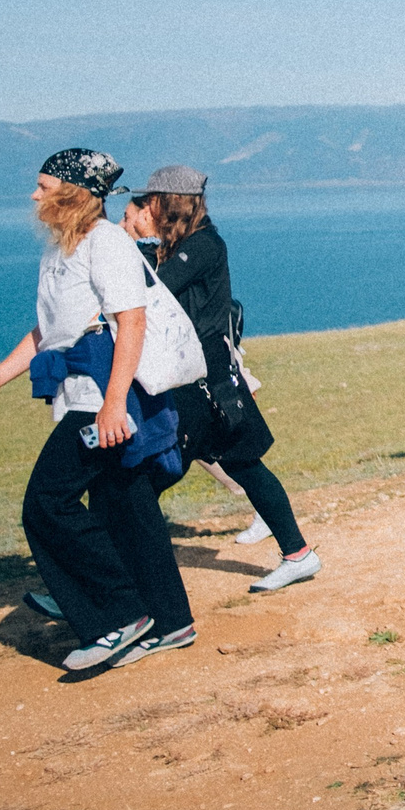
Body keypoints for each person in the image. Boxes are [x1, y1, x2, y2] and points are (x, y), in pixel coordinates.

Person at [0, 150, 195, 673]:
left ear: (73, 192)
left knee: (46, 503)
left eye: (43, 185)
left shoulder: (107, 245)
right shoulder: (64, 249)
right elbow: (48, 332)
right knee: (127, 505)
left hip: (103, 398)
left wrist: (114, 406)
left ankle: (119, 614)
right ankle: (172, 621)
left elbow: (132, 324)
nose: (34, 196)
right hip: (88, 395)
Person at [123, 166, 319, 594]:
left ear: (168, 203)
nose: (146, 206)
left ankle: (104, 583)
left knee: (142, 477)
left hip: (202, 379)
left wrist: (124, 245)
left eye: (151, 198)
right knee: (240, 464)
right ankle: (299, 555)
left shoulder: (205, 245)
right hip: (204, 376)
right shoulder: (185, 244)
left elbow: (157, 288)